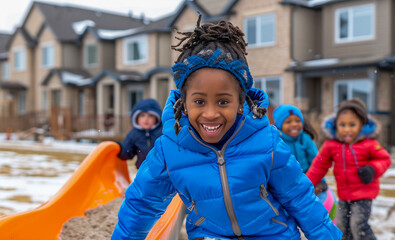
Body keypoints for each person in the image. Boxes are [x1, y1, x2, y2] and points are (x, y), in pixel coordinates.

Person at [112, 16, 341, 240]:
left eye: (223, 101)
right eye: (199, 101)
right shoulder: (170, 150)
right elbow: (140, 204)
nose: (211, 114)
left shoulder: (266, 142)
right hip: (211, 235)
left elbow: (298, 197)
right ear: (184, 102)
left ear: (241, 102)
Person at [306, 98, 391, 240]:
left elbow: (384, 159)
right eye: (342, 124)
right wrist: (307, 183)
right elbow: (319, 165)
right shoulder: (331, 145)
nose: (346, 129)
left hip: (364, 194)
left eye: (352, 125)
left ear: (361, 125)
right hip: (344, 196)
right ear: (336, 125)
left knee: (358, 225)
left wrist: (372, 169)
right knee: (342, 227)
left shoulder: (369, 144)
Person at [273, 104, 337, 222]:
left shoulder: (305, 139)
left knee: (329, 199)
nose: (294, 124)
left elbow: (317, 162)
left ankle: (329, 222)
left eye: (297, 120)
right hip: (288, 181)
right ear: (279, 125)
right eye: (288, 122)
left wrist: (320, 182)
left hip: (309, 175)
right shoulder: (277, 142)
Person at [117, 98, 163, 169]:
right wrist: (120, 148)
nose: (146, 119)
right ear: (136, 118)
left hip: (162, 169)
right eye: (142, 116)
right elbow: (128, 152)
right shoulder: (134, 134)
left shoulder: (162, 132)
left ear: (157, 117)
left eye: (150, 116)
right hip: (142, 170)